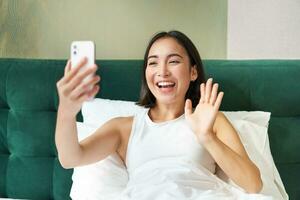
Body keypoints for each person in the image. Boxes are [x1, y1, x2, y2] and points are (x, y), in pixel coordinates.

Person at [55, 30, 263, 197]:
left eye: (173, 61)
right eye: (153, 62)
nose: (162, 71)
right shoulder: (124, 127)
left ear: (193, 71)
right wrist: (66, 111)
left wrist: (207, 137)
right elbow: (71, 158)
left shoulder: (211, 121)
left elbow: (253, 184)